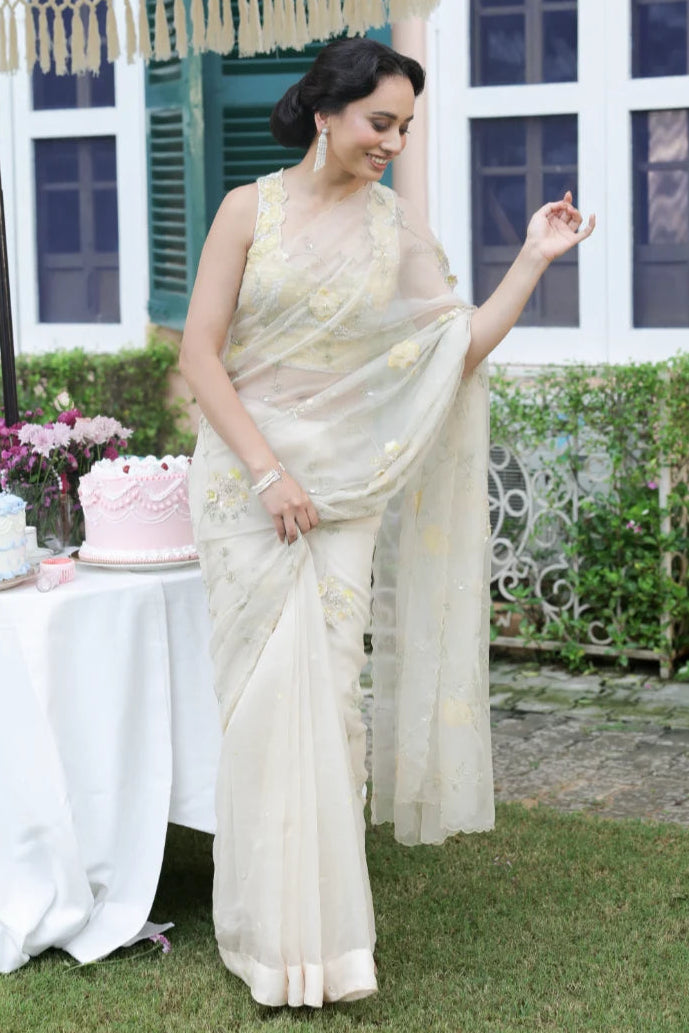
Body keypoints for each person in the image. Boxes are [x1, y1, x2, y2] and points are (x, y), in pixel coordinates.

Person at [180, 36, 595, 1009]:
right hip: (246, 484)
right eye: (380, 122)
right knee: (261, 707)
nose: (393, 142)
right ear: (325, 112)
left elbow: (452, 346)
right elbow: (202, 354)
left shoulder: (394, 229)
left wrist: (533, 257)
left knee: (325, 699)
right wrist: (268, 469)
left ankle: (324, 950)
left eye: (404, 127)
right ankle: (262, 938)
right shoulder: (249, 209)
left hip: (341, 492)